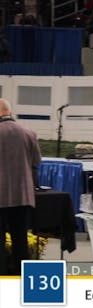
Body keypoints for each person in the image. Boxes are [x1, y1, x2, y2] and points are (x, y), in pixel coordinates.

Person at [0, 99, 42, 275]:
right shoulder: (28, 132)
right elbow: (36, 162)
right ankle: (22, 280)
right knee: (21, 240)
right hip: (22, 196)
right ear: (10, 111)